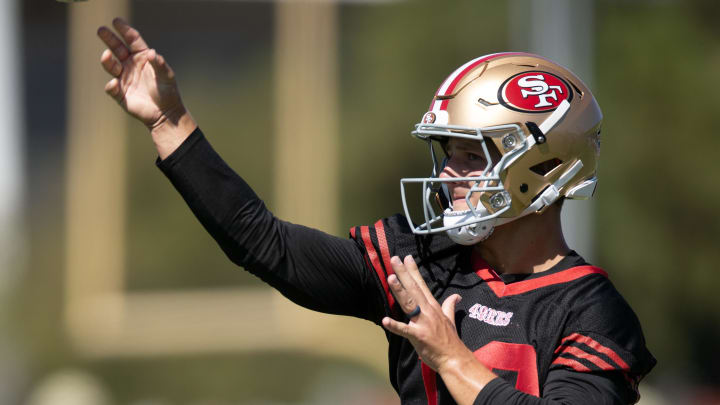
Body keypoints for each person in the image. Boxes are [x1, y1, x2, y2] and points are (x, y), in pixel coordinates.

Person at [97, 18, 655, 404]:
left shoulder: (592, 311)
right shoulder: (425, 263)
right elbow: (266, 245)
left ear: (541, 163)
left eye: (469, 154)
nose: (446, 174)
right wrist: (169, 126)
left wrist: (454, 359)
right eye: (447, 153)